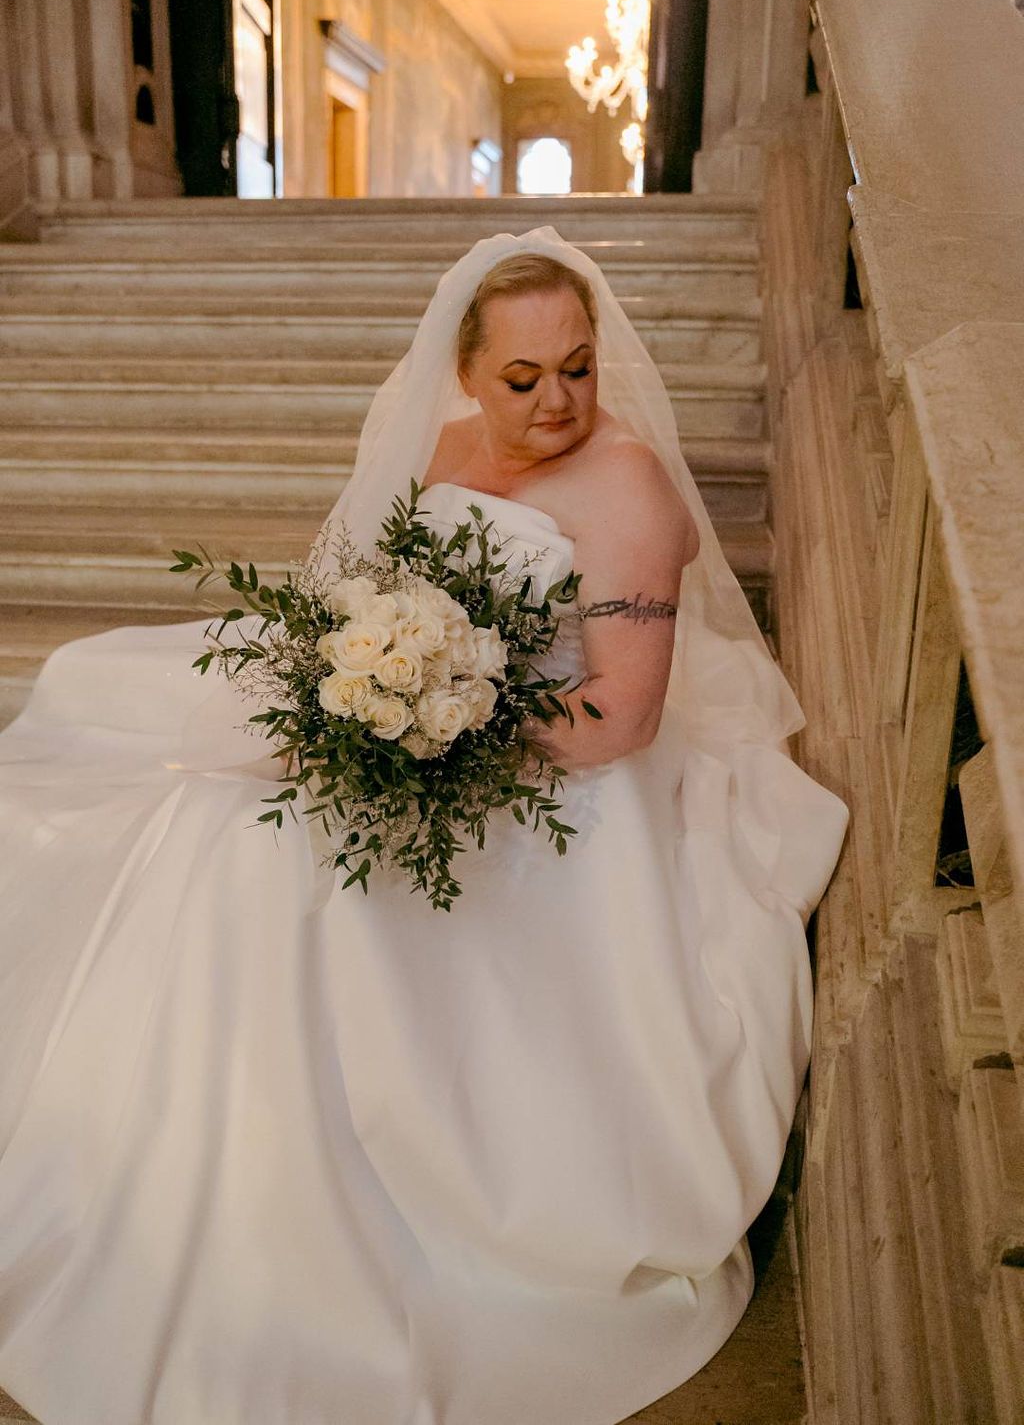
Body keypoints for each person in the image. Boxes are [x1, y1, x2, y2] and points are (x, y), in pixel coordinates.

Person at [0, 227, 849, 1425]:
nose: (556, 400)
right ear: (466, 369)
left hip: (558, 770)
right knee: (170, 778)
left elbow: (621, 713)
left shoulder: (628, 490)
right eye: (522, 377)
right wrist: (352, 691)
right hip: (419, 723)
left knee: (276, 862)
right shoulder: (439, 450)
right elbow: (351, 598)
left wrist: (438, 728)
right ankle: (179, 1180)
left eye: (578, 367)